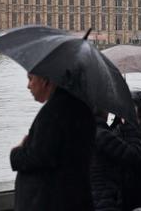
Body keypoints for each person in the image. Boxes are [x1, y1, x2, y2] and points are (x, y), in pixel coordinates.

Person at [10, 73, 96, 211]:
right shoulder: (84, 109)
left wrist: (17, 152)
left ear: (45, 81)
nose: (28, 86)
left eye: (31, 79)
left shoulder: (53, 113)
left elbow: (39, 157)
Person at [90, 111, 141, 211]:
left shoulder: (83, 133)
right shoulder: (102, 135)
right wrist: (130, 125)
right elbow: (133, 156)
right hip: (105, 200)